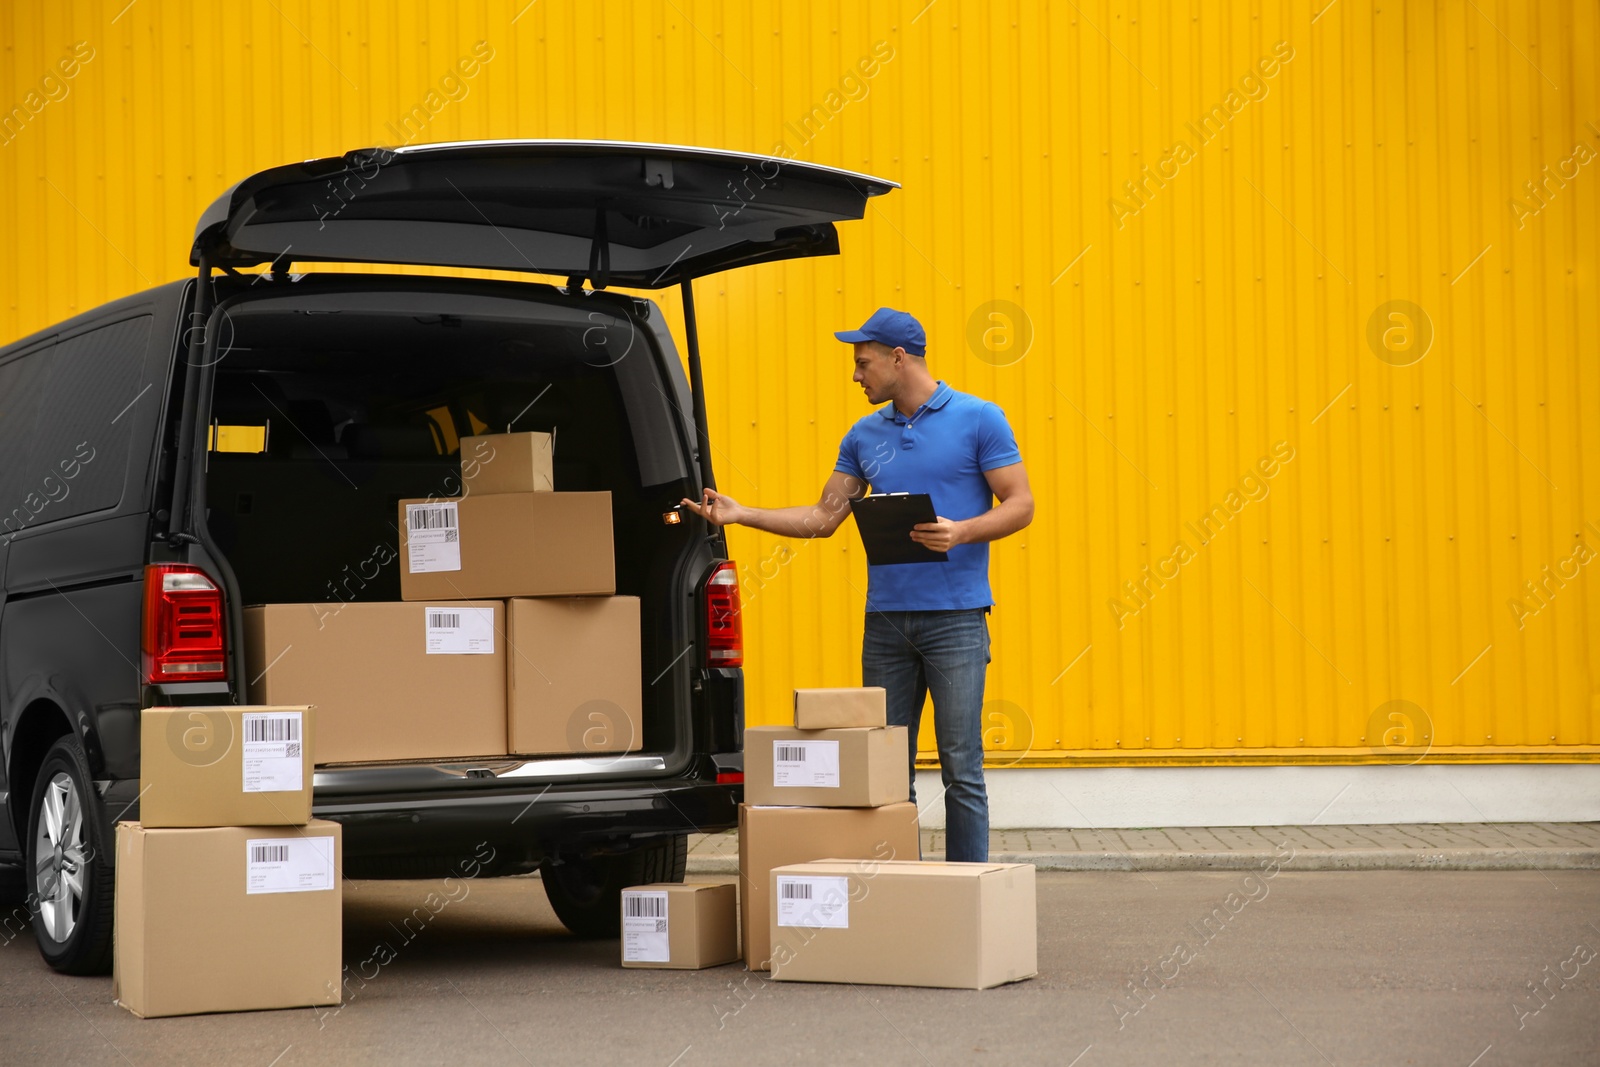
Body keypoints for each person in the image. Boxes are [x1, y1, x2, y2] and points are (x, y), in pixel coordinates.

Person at [680, 307, 1033, 862]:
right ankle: (900, 892)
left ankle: (967, 894)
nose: (856, 375)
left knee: (961, 767)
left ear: (898, 358)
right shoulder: (864, 435)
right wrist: (741, 513)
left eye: (862, 363)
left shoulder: (979, 419)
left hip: (958, 620)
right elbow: (823, 519)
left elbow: (1021, 505)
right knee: (889, 772)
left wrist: (961, 531)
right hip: (886, 623)